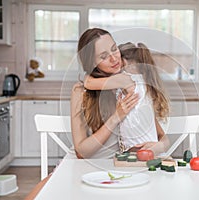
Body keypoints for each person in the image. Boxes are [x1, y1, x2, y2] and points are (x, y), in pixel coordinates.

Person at [71, 28, 169, 159]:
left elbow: (162, 137)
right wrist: (116, 117)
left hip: (126, 166)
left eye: (114, 49)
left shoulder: (132, 84)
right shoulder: (81, 91)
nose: (114, 58)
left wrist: (159, 147)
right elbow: (81, 152)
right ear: (92, 62)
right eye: (104, 56)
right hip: (94, 166)